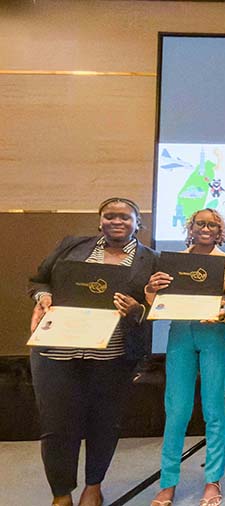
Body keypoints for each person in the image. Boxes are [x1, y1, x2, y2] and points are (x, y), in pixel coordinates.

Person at [28, 197, 158, 506]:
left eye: (125, 217)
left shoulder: (152, 259)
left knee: (105, 424)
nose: (117, 221)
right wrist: (43, 297)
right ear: (100, 221)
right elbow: (39, 281)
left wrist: (137, 309)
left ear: (137, 223)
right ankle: (61, 494)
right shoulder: (71, 246)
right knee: (57, 427)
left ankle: (93, 486)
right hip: (57, 352)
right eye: (110, 216)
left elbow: (154, 307)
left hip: (112, 357)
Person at [146, 208, 225, 506]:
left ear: (220, 230)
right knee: (176, 410)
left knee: (214, 409)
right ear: (191, 227)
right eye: (200, 223)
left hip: (215, 335)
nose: (206, 228)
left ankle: (213, 479)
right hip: (181, 335)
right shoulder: (173, 261)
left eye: (212, 224)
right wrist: (150, 288)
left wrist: (224, 313)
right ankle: (168, 482)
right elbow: (156, 301)